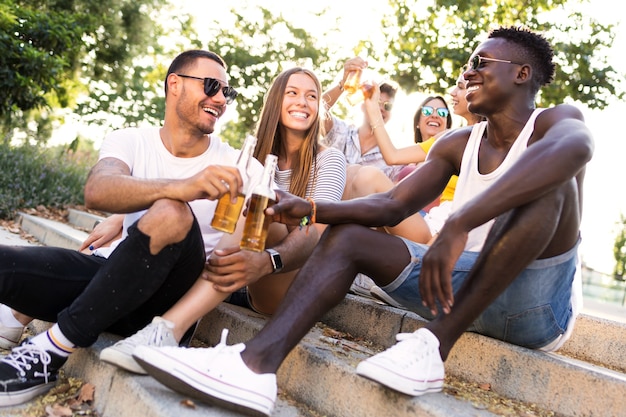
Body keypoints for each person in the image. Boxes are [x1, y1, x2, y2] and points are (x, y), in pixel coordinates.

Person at [132, 26, 594, 417]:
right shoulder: (458, 143)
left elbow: (576, 151)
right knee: (350, 235)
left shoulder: (557, 122)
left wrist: (459, 223)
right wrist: (311, 209)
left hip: (536, 308)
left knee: (554, 184)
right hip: (460, 285)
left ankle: (433, 346)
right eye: (468, 64)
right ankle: (255, 367)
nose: (467, 71)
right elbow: (390, 206)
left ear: (521, 73)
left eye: (480, 61)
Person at [0, 49, 260, 406]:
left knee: (171, 211)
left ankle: (50, 350)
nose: (220, 99)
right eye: (212, 86)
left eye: (226, 92)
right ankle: (17, 320)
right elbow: (98, 190)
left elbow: (284, 226)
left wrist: (272, 253)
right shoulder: (131, 140)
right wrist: (180, 186)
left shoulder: (237, 163)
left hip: (166, 304)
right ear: (175, 85)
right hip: (113, 281)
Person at [94, 66, 346, 374]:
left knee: (256, 206)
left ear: (320, 107)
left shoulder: (329, 159)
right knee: (234, 193)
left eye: (312, 96)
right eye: (292, 93)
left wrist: (271, 260)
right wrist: (122, 217)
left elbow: (315, 227)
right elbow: (193, 183)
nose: (302, 102)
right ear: (276, 101)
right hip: (243, 277)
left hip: (291, 275)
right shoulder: (253, 153)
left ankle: (170, 331)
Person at [321, 57, 405, 182]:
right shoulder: (341, 132)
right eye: (376, 101)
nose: (381, 109)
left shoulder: (394, 160)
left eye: (387, 106)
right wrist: (342, 84)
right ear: (362, 105)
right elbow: (317, 109)